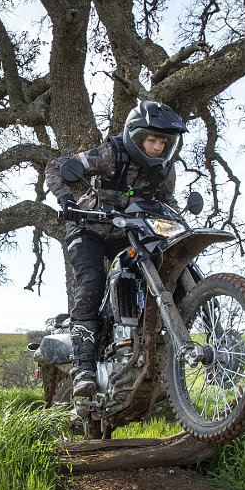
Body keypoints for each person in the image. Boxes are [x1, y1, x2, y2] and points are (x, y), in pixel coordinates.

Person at [45, 100, 187, 397]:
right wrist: (67, 200)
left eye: (163, 141)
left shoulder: (165, 170)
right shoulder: (111, 154)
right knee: (92, 281)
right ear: (136, 137)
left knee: (164, 265)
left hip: (130, 232)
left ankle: (157, 346)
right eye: (151, 139)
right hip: (89, 227)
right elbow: (58, 166)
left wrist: (179, 222)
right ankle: (83, 368)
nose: (158, 147)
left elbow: (167, 204)